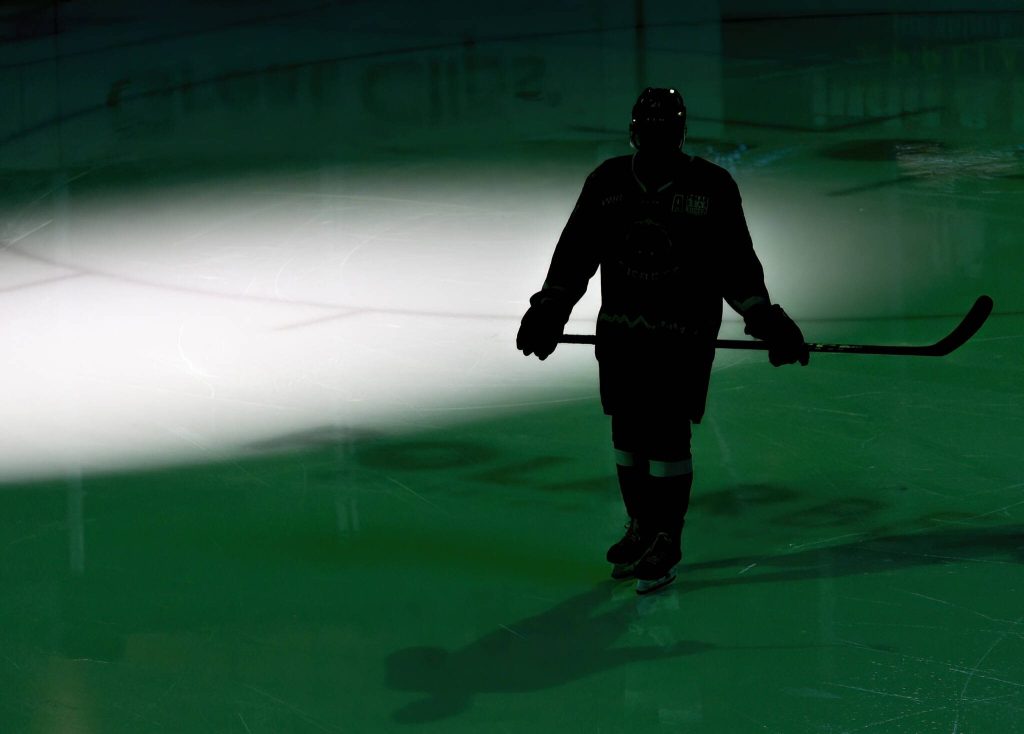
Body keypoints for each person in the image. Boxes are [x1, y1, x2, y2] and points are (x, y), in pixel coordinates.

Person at [516, 87, 809, 595]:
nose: (652, 141)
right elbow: (575, 253)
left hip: (682, 338)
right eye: (646, 132)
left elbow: (735, 265)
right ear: (635, 132)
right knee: (628, 434)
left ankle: (666, 536)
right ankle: (641, 526)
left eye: (660, 132)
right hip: (623, 334)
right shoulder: (607, 182)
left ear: (674, 134)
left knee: (667, 437)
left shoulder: (711, 187)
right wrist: (550, 305)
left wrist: (766, 319)